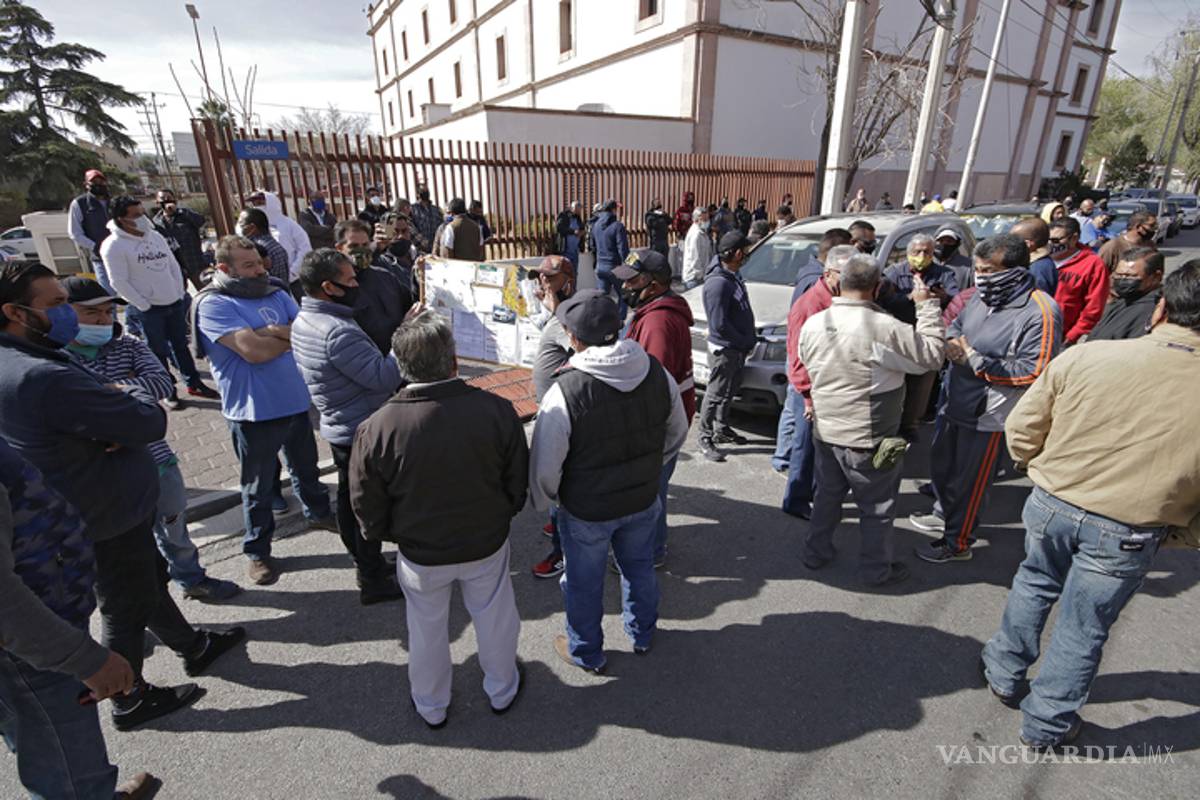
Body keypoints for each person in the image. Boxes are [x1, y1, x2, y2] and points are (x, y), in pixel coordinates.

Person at [0, 263, 244, 732]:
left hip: (92, 508)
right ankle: (128, 697)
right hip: (103, 514)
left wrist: (116, 402)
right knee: (125, 604)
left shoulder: (26, 357)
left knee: (146, 581)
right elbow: (148, 419)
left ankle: (191, 645)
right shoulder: (41, 376)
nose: (68, 314)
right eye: (54, 305)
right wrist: (126, 400)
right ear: (15, 312)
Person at [981, 262, 1200, 749]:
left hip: (1053, 500)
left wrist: (1036, 469)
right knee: (1085, 625)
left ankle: (1003, 671)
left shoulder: (1089, 357)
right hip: (1131, 525)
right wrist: (1183, 532)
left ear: (1161, 307)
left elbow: (1022, 431)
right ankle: (1046, 723)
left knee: (1034, 583)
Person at [351, 312, 529, 727]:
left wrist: (389, 535)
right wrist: (504, 512)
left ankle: (431, 705)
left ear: (399, 366)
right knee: (495, 617)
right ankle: (502, 689)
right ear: (453, 361)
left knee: (426, 628)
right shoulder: (497, 409)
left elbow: (366, 501)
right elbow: (515, 478)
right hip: (485, 540)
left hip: (420, 551)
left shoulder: (376, 427)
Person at [529, 290, 687, 674]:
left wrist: (549, 500)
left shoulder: (565, 390)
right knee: (639, 569)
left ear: (574, 338)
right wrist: (651, 468)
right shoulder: (654, 371)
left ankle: (586, 650)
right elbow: (677, 432)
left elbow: (545, 468)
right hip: (642, 499)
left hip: (587, 509)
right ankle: (643, 632)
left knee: (584, 583)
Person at [63, 277, 239, 602]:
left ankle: (191, 578)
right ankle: (137, 616)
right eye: (92, 314)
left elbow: (160, 383)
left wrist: (105, 392)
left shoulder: (128, 344)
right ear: (64, 313)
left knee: (174, 527)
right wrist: (123, 388)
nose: (104, 320)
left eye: (107, 312)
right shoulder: (57, 358)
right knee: (124, 551)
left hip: (158, 463)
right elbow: (69, 410)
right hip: (104, 475)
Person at [0, 439, 156, 800]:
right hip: (32, 650)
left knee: (44, 748)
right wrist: (84, 658)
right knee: (69, 768)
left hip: (32, 641)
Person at [192, 236, 336, 586]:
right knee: (257, 489)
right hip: (253, 413)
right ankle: (258, 552)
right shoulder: (214, 304)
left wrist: (271, 331)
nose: (259, 270)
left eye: (259, 262)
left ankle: (317, 513)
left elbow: (306, 332)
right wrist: (277, 338)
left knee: (306, 470)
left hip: (295, 401)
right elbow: (253, 352)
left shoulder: (275, 291)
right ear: (224, 268)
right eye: (249, 266)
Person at [910, 234, 1061, 563]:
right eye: (978, 270)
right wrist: (952, 342)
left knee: (971, 483)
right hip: (955, 402)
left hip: (990, 416)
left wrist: (974, 359)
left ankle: (957, 543)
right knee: (943, 469)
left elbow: (1034, 371)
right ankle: (947, 518)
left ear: (1016, 270)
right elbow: (956, 325)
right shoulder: (979, 297)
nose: (981, 277)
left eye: (989, 271)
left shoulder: (1040, 311)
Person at [799, 253, 944, 586]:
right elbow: (932, 356)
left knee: (826, 496)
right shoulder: (883, 327)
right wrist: (927, 307)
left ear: (841, 281)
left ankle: (815, 552)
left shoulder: (815, 322)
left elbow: (806, 362)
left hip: (826, 429)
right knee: (877, 507)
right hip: (868, 436)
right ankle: (875, 570)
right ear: (878, 287)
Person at [291, 248, 406, 606]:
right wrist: (404, 335)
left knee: (349, 499)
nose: (358, 284)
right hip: (359, 428)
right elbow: (384, 377)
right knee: (365, 506)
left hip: (340, 424)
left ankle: (366, 561)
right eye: (350, 280)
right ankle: (371, 579)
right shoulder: (337, 331)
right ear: (329, 287)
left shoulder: (306, 318)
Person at [615, 249, 695, 567]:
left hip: (656, 424)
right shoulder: (651, 312)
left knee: (650, 492)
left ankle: (650, 551)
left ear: (655, 283)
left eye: (632, 280)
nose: (626, 288)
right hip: (664, 419)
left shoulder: (658, 322)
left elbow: (652, 384)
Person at [101, 196, 220, 403]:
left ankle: (193, 384)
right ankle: (167, 390)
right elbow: (118, 281)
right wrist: (143, 304)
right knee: (157, 352)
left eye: (142, 213)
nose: (141, 218)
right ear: (121, 219)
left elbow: (172, 264)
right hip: (149, 309)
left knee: (181, 346)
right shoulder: (113, 245)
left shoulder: (154, 236)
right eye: (136, 215)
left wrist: (177, 291)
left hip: (173, 301)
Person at [779, 244, 854, 519]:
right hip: (811, 390)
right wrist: (808, 397)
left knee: (820, 448)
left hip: (831, 385)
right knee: (805, 447)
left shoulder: (839, 299)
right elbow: (797, 357)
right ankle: (796, 499)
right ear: (828, 272)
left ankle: (811, 493)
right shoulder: (811, 304)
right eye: (844, 273)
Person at [881, 234, 960, 441]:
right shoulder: (893, 273)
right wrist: (911, 298)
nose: (922, 256)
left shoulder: (944, 273)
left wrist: (941, 297)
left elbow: (955, 299)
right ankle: (893, 423)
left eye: (927, 252)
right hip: (900, 334)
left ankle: (910, 425)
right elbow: (885, 299)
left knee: (922, 384)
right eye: (917, 252)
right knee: (895, 381)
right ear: (908, 253)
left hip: (928, 334)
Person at [527, 256, 576, 580]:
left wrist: (555, 308)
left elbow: (577, 345)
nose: (543, 282)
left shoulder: (570, 316)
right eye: (540, 277)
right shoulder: (556, 311)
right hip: (549, 405)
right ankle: (559, 519)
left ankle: (562, 552)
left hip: (561, 412)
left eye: (550, 278)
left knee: (560, 479)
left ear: (567, 281)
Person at [698, 231, 756, 463]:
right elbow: (719, 324)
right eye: (745, 252)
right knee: (715, 394)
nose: (746, 257)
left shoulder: (732, 275)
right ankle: (705, 436)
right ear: (737, 253)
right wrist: (743, 342)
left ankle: (722, 428)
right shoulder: (718, 283)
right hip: (726, 349)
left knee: (730, 391)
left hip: (737, 348)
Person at [334, 219, 415, 354]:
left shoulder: (385, 276)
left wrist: (420, 278)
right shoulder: (337, 288)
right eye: (354, 246)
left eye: (365, 245)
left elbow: (411, 301)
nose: (361, 251)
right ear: (339, 249)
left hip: (402, 353)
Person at [1048, 217, 1109, 345]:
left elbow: (1094, 306)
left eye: (1056, 240)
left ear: (1074, 238)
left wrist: (1073, 335)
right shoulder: (1041, 259)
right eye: (1047, 240)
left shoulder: (1093, 264)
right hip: (1034, 331)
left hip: (1063, 337)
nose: (1051, 244)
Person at [1086, 247, 1164, 341]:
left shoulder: (1153, 310)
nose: (1122, 280)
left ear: (1156, 277)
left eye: (1131, 276)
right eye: (1118, 274)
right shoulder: (1124, 299)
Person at [248, 190, 311, 292]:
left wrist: (293, 271)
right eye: (254, 204)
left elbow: (305, 248)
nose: (257, 207)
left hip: (293, 280)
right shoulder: (252, 228)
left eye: (260, 203)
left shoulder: (289, 224)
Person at [152, 189, 207, 292]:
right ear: (157, 202)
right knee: (180, 294)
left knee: (205, 291)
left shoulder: (185, 214)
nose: (167, 201)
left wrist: (180, 211)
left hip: (194, 262)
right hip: (175, 266)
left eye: (169, 198)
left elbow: (201, 221)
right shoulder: (156, 222)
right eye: (163, 199)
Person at [67, 169, 113, 291]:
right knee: (108, 294)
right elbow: (74, 233)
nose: (98, 184)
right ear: (86, 184)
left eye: (101, 181)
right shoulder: (79, 203)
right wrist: (95, 246)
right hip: (101, 258)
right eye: (94, 182)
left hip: (123, 254)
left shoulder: (114, 202)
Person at [236, 207, 291, 286]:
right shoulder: (275, 245)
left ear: (252, 227)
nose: (239, 228)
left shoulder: (255, 250)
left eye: (241, 224)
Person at [592, 199, 630, 315]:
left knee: (601, 297)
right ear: (614, 210)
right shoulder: (618, 226)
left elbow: (592, 245)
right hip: (615, 267)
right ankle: (620, 321)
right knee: (624, 294)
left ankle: (600, 320)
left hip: (600, 267)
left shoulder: (596, 225)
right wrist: (629, 264)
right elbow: (623, 249)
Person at [1009, 217, 1058, 296]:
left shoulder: (1037, 268)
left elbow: (1038, 301)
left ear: (1027, 244)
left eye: (1013, 240)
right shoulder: (1032, 263)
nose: (1009, 244)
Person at [682, 205, 715, 290]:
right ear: (696, 220)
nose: (707, 222)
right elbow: (695, 259)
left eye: (708, 219)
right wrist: (702, 275)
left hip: (702, 276)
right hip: (694, 278)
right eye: (704, 220)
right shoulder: (696, 235)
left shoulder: (703, 233)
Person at [410, 184, 442, 254]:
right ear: (418, 194)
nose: (426, 193)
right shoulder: (413, 210)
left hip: (436, 248)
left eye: (427, 191)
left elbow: (441, 226)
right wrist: (423, 243)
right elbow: (411, 228)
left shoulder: (436, 209)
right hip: (420, 250)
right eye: (423, 191)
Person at [555, 201, 585, 268]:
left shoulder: (578, 217)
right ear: (573, 208)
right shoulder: (564, 215)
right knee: (566, 271)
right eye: (578, 209)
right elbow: (559, 228)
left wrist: (582, 232)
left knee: (574, 272)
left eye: (580, 210)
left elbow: (582, 228)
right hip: (565, 250)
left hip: (575, 251)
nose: (579, 211)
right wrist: (573, 231)